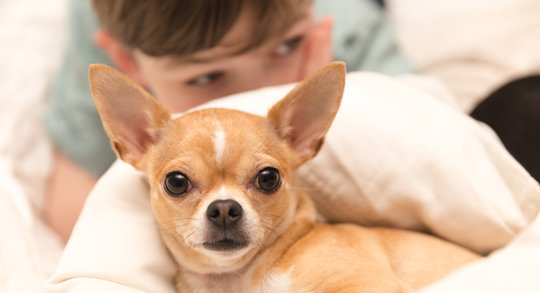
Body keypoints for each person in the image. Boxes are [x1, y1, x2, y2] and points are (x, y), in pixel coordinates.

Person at [42, 0, 412, 242]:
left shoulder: (349, 29)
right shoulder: (120, 27)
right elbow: (69, 207)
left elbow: (431, 143)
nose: (259, 90)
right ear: (130, 63)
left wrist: (313, 109)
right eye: (207, 77)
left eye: (286, 47)